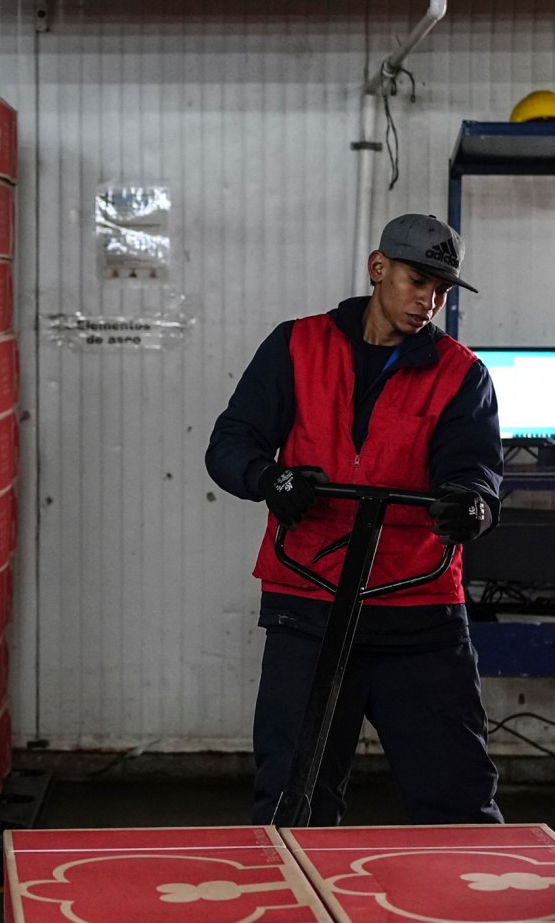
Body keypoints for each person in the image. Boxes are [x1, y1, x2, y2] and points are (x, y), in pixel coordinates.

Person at [205, 213, 507, 826]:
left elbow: (475, 470)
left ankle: (466, 916)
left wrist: (470, 504)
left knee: (457, 803)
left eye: (442, 290)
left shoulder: (461, 374)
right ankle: (297, 918)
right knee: (293, 800)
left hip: (417, 609)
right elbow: (232, 443)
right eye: (418, 281)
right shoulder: (296, 345)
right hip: (308, 604)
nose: (430, 301)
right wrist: (272, 480)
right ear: (378, 268)